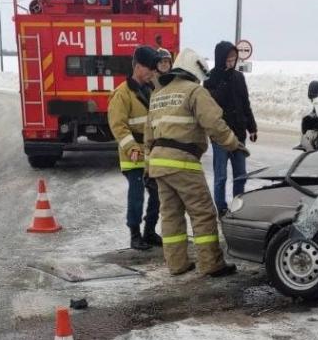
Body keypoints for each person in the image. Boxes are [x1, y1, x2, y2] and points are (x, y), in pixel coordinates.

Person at [145, 48, 247, 277]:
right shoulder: (194, 91)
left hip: (158, 162)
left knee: (171, 215)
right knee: (203, 213)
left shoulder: (159, 94)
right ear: (195, 71)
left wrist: (147, 165)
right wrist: (234, 144)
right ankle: (212, 264)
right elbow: (214, 123)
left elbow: (148, 134)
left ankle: (177, 264)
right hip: (182, 162)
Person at [108, 46, 161, 251]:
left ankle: (150, 230)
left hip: (151, 152)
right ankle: (135, 234)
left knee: (156, 194)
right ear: (138, 67)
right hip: (134, 153)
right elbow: (118, 126)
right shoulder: (122, 94)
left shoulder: (152, 89)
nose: (152, 72)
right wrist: (131, 148)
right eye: (149, 68)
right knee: (137, 194)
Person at [204, 41, 257, 216]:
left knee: (240, 174)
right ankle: (221, 207)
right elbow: (211, 104)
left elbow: (245, 104)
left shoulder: (239, 77)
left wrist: (252, 127)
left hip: (239, 134)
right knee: (221, 176)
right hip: (220, 136)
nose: (231, 62)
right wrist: (224, 81)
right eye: (228, 59)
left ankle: (238, 205)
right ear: (220, 59)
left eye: (234, 59)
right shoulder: (210, 79)